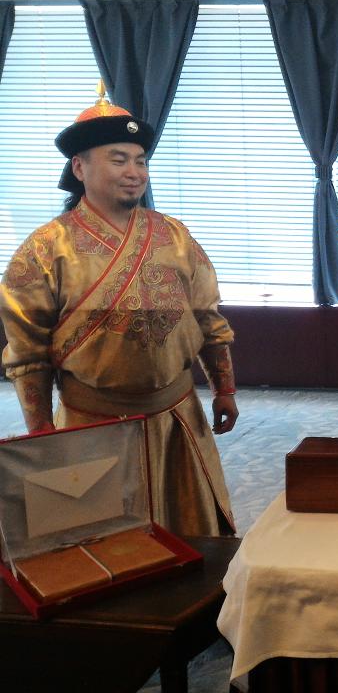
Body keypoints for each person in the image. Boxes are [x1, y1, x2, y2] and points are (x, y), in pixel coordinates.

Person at [0, 92, 238, 537]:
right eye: (119, 160)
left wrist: (224, 387)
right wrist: (43, 432)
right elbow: (27, 353)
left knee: (194, 542)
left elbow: (208, 318)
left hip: (177, 418)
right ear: (79, 167)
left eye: (140, 161)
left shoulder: (174, 235)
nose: (134, 173)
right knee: (105, 544)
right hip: (92, 424)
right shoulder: (44, 249)